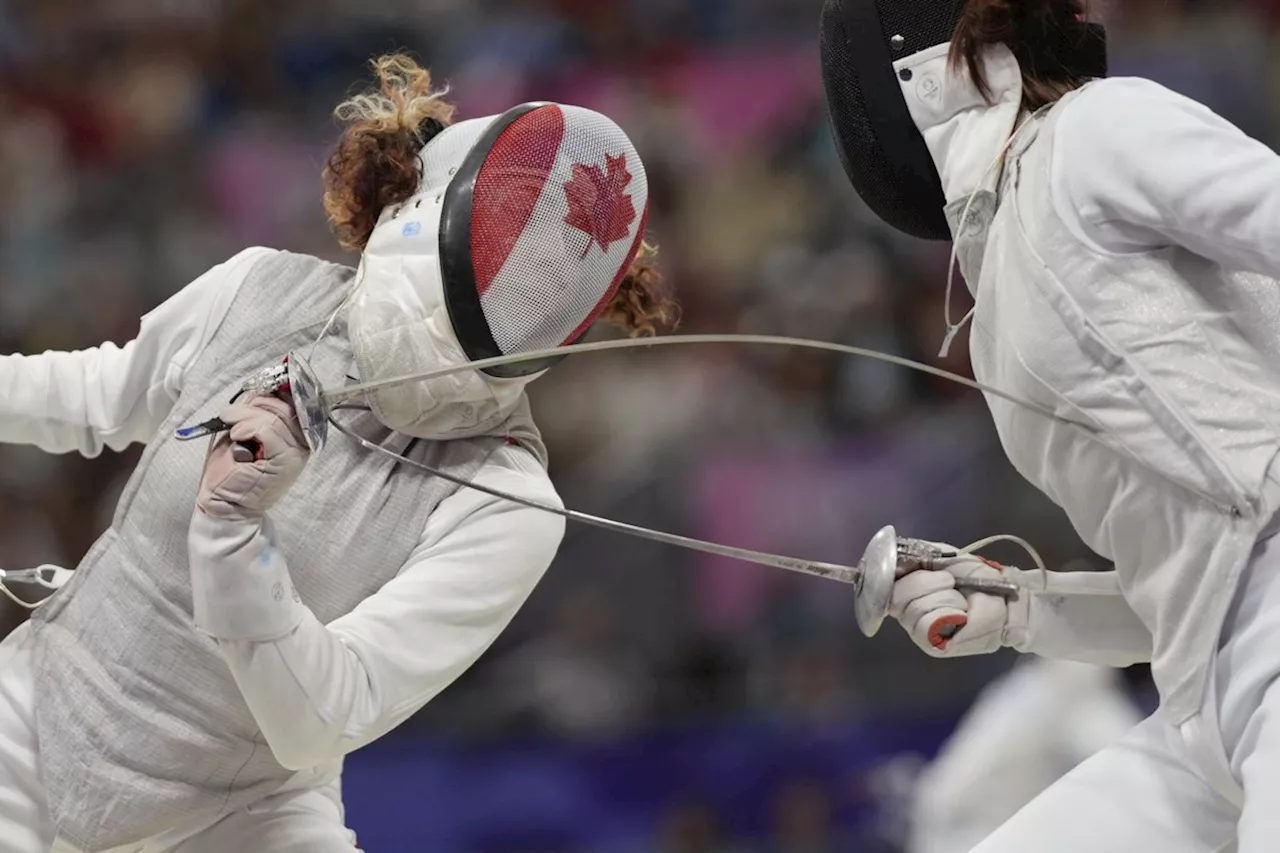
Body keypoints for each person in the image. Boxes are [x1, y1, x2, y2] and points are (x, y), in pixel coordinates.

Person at [0, 53, 675, 852]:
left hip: (233, 815)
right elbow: (94, 396)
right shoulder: (260, 290)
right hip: (34, 721)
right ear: (418, 202)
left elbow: (324, 716)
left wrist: (232, 535)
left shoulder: (507, 502)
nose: (508, 284)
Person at [820, 0, 1280, 849]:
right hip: (1202, 711)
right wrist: (1020, 610)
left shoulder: (1097, 131)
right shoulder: (988, 323)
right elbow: (1192, 586)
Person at [906, 660, 1146, 853]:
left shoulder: (1023, 685)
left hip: (940, 826)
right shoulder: (1076, 696)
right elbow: (1137, 772)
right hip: (978, 834)